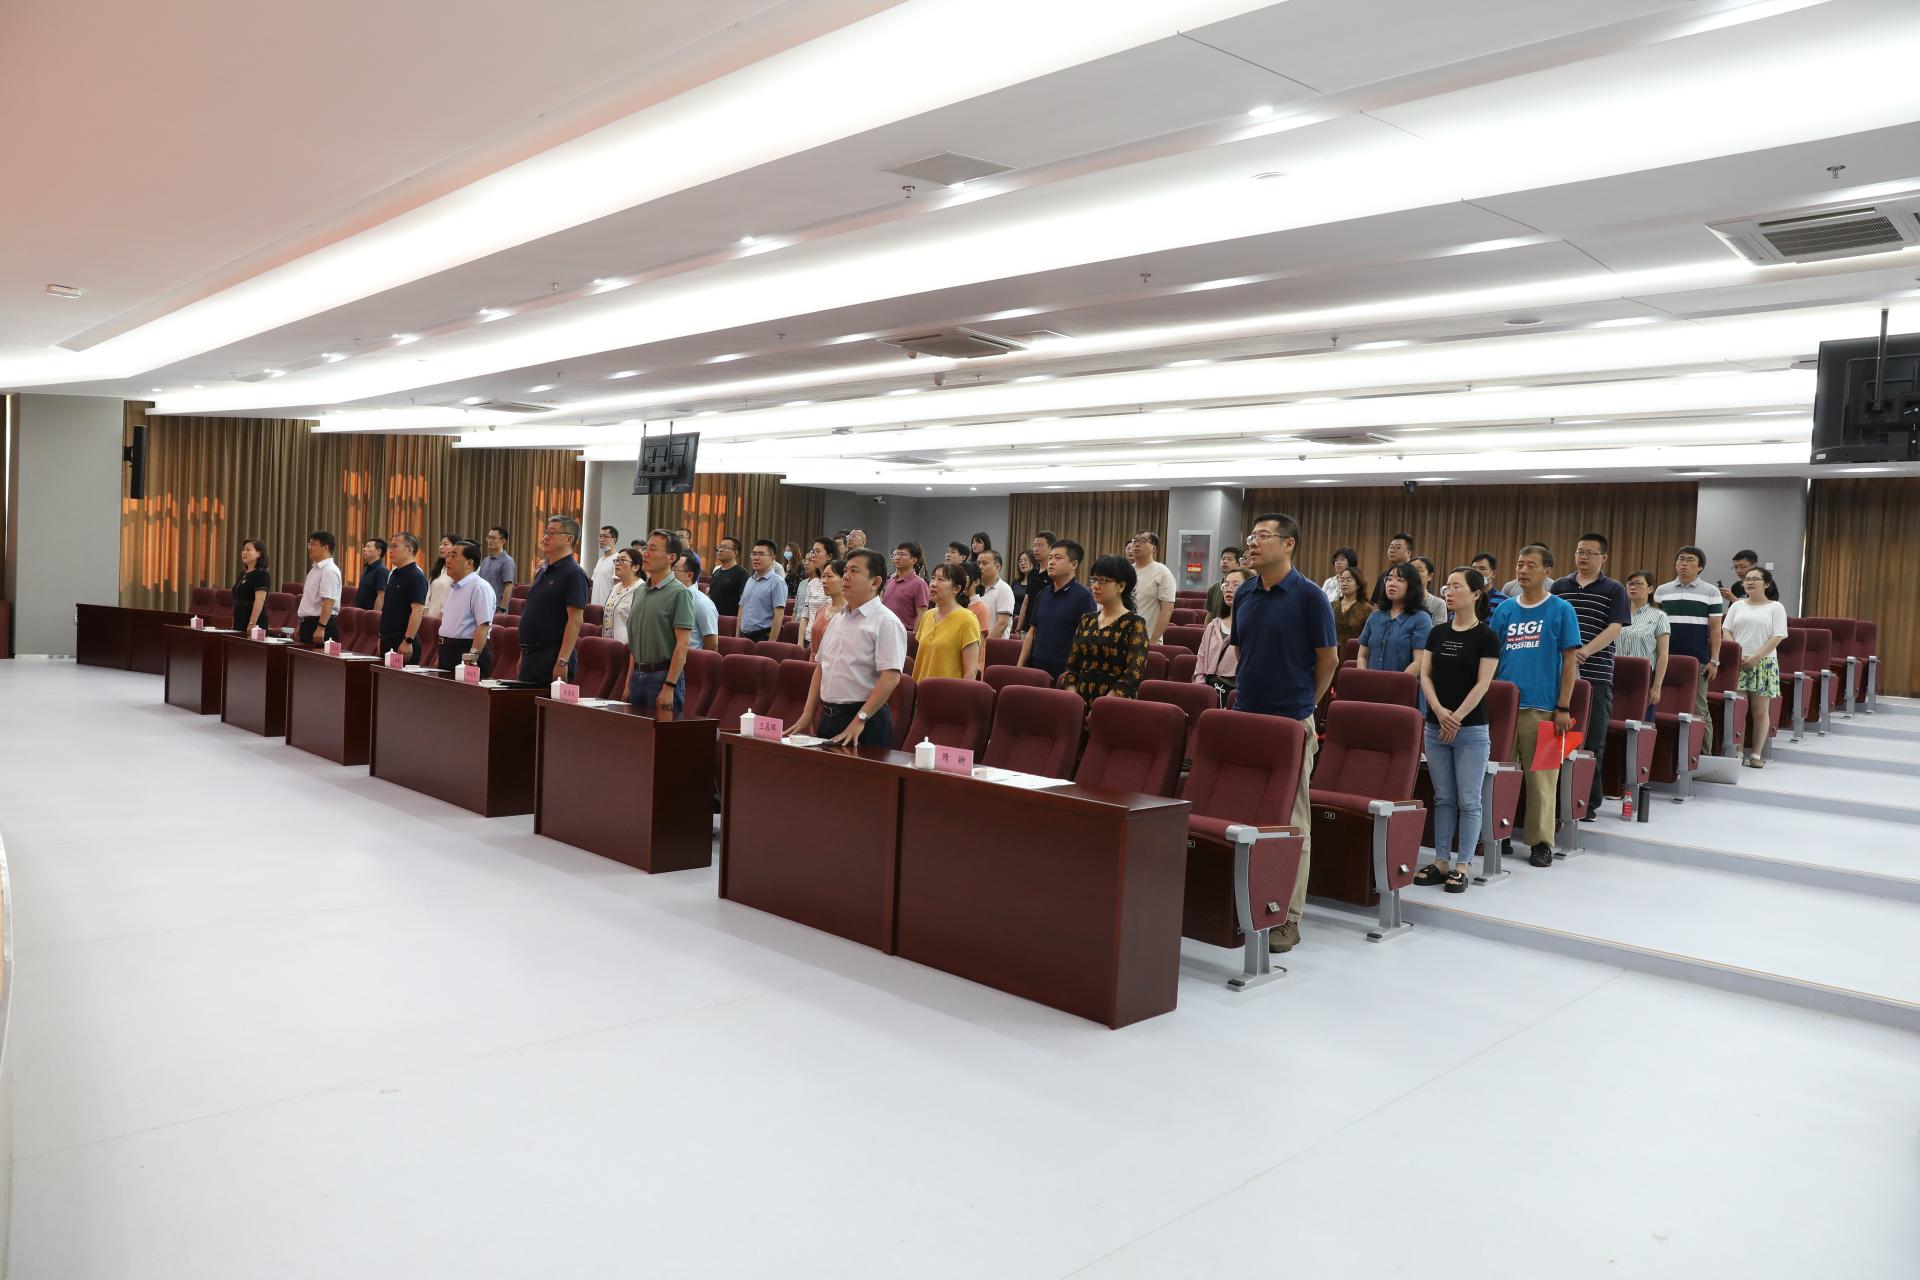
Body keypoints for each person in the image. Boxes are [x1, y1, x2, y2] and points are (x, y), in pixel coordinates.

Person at [1230, 512, 1338, 953]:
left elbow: (1328, 660)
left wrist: (1304, 706)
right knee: (1246, 813)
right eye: (1251, 536)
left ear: (1288, 544)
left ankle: (1287, 916)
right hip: (1247, 717)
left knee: (1293, 820)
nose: (1252, 544)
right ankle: (1243, 901)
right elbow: (1242, 650)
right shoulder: (1245, 593)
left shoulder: (1310, 596)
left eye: (1263, 536)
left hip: (1291, 721)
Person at [1490, 544, 1582, 869]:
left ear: (1547, 571)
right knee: (1499, 775)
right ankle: (1497, 832)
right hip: (1504, 709)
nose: (1523, 570)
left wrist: (1563, 707)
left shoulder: (1561, 610)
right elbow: (1491, 658)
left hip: (1543, 707)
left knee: (1543, 779)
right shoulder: (1504, 610)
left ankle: (1541, 842)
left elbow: (1570, 661)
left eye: (1531, 565)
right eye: (1519, 564)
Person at [1413, 567, 1501, 893]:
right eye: (1447, 587)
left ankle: (1463, 864)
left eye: (1456, 586)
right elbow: (1425, 676)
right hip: (1435, 727)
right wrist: (1438, 711)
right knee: (1443, 798)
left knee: (1469, 799)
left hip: (1470, 730)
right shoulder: (1437, 632)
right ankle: (1440, 861)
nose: (1449, 592)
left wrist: (1457, 718)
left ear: (1476, 594)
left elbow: (1483, 683)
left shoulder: (1487, 637)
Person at [787, 548, 907, 747]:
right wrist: (808, 713)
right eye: (845, 571)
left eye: (854, 571)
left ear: (875, 582)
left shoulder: (886, 622)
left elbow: (891, 677)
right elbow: (821, 668)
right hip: (829, 717)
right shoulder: (837, 620)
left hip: (866, 721)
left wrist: (860, 719)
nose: (846, 577)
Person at [1551, 532, 1632, 818]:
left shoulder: (1614, 589)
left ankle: (1587, 801)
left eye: (1589, 553)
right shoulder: (1560, 586)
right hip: (1560, 674)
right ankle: (1556, 800)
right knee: (1557, 738)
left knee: (1593, 739)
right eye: (1579, 552)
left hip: (1596, 673)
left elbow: (1615, 628)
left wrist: (1583, 652)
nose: (1583, 557)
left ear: (1603, 557)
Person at [1062, 554, 1149, 711]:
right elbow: (1071, 667)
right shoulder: (1086, 620)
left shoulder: (1135, 624)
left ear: (1121, 586)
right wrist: (1073, 702)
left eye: (1102, 581)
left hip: (1113, 707)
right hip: (1078, 705)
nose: (1095, 586)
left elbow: (1132, 675)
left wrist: (1100, 709)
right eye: (1094, 579)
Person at [1654, 545, 1724, 727]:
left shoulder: (1711, 592)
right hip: (1663, 657)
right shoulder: (1662, 591)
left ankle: (1703, 746)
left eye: (1690, 560)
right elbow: (1654, 624)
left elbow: (1715, 629)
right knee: (1659, 704)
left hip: (1697, 658)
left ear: (1700, 567)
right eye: (1681, 559)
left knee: (1699, 709)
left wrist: (1714, 660)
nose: (1684, 563)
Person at [1726, 566, 1789, 767]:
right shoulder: (1737, 606)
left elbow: (1778, 636)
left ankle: (1755, 754)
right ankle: (1737, 752)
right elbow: (1726, 630)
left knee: (1760, 712)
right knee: (1739, 710)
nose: (1749, 582)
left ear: (1766, 584)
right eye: (1747, 579)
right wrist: (1737, 652)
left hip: (1764, 663)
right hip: (1738, 662)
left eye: (1755, 579)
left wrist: (1755, 657)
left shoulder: (1775, 607)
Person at [627, 530, 694, 713]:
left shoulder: (680, 593)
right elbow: (634, 643)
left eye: (653, 549)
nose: (645, 554)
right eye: (646, 548)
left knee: (662, 731)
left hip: (662, 677)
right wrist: (628, 683)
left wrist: (669, 686)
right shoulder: (639, 591)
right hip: (637, 675)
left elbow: (683, 644)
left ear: (671, 558)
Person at [519, 516, 590, 684]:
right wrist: (522, 656)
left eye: (552, 533)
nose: (545, 537)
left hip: (552, 656)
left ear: (569, 539)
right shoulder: (543, 571)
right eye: (546, 532)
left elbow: (575, 620)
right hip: (530, 655)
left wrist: (562, 661)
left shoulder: (574, 573)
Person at [1016, 538, 1094, 681]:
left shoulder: (1084, 597)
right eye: (1051, 557)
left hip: (1064, 675)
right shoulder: (1043, 594)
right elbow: (1032, 632)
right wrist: (1019, 667)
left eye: (1058, 558)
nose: (1051, 562)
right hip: (1035, 670)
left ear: (1074, 564)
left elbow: (1087, 642)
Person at [435, 539, 496, 677]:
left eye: (453, 556)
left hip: (466, 652)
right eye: (448, 556)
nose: (447, 560)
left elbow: (483, 626)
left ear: (469, 563)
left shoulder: (479, 587)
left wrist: (471, 658)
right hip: (447, 650)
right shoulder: (453, 587)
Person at [1356, 563, 1432, 672]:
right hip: (1370, 681)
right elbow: (1362, 656)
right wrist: (1364, 677)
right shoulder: (1375, 616)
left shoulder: (1421, 619)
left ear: (1412, 586)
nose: (1392, 583)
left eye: (1400, 580)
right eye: (1389, 579)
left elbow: (1419, 662)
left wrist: (1395, 681)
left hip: (1403, 682)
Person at [1617, 570, 1671, 722]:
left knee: (1639, 723)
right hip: (1615, 673)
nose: (1633, 587)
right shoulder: (1617, 613)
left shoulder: (1659, 616)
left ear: (1650, 589)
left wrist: (1656, 687)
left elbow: (1663, 655)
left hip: (1642, 677)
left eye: (1639, 584)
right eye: (1630, 584)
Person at [914, 562, 984, 681]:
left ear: (956, 588)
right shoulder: (928, 615)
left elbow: (971, 672)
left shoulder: (967, 620)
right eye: (933, 578)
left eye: (941, 579)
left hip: (950, 691)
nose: (933, 584)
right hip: (922, 689)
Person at [1193, 567, 1248, 697]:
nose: (1229, 589)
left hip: (1237, 694)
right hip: (1208, 691)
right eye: (1226, 585)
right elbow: (1200, 665)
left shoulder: (1254, 627)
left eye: (1236, 585)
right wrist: (1203, 693)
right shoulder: (1213, 626)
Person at [380, 532, 429, 660]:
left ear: (409, 549)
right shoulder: (393, 574)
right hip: (387, 639)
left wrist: (408, 640)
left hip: (403, 640)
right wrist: (381, 636)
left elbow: (417, 611)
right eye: (390, 546)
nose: (390, 550)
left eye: (395, 546)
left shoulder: (416, 576)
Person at [1126, 531, 1177, 644]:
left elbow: (1167, 609)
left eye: (1143, 541)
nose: (1137, 544)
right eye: (1135, 541)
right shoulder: (1126, 571)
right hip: (1123, 639)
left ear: (1154, 548)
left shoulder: (1162, 572)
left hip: (1147, 640)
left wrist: (1153, 641)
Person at [294, 531, 343, 644]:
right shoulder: (315, 569)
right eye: (309, 544)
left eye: (313, 544)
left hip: (320, 625)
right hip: (308, 624)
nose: (309, 548)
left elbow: (328, 602)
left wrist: (321, 627)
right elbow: (309, 600)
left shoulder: (329, 570)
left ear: (325, 547)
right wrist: (301, 624)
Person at [739, 539, 789, 642]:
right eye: (754, 554)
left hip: (762, 637)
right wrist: (737, 636)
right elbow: (741, 608)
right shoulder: (750, 580)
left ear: (772, 558)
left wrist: (770, 643)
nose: (756, 558)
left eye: (761, 554)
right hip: (744, 637)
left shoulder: (777, 582)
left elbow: (779, 615)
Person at [792, 538, 835, 650]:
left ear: (829, 556)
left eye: (818, 551)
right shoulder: (812, 583)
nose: (813, 555)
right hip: (808, 639)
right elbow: (805, 614)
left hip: (825, 642)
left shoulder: (836, 582)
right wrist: (800, 643)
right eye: (813, 551)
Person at [882, 542, 931, 634]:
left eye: (902, 554)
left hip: (905, 634)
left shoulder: (919, 584)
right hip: (885, 632)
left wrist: (913, 636)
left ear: (914, 560)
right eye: (896, 554)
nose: (897, 557)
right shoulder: (889, 582)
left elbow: (922, 613)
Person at [675, 551, 720, 650]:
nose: (670, 574)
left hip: (690, 657)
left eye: (674, 569)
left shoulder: (702, 603)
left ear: (689, 575)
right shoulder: (671, 597)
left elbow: (712, 643)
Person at [1015, 531, 1056, 633]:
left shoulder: (1054, 574)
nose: (1036, 549)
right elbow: (1026, 602)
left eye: (1040, 545)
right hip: (1026, 627)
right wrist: (1018, 628)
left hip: (1044, 628)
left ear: (1051, 548)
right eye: (1034, 545)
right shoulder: (1032, 573)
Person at [602, 546, 643, 646]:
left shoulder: (641, 589)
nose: (617, 563)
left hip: (627, 646)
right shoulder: (616, 587)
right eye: (617, 560)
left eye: (622, 560)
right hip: (608, 644)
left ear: (636, 567)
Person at [231, 539, 271, 633]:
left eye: (248, 550)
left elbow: (259, 601)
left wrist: (252, 623)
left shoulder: (262, 574)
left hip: (255, 622)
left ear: (259, 554)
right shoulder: (242, 574)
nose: (244, 552)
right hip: (240, 619)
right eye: (243, 550)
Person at [974, 549, 1016, 639]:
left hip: (992, 644)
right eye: (978, 563)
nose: (980, 567)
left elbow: (1002, 624)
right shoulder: (974, 587)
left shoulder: (1004, 589)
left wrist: (984, 645)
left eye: (984, 563)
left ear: (997, 567)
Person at [809, 558, 847, 652]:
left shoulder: (850, 613)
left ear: (844, 579)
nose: (824, 581)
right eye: (823, 576)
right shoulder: (822, 609)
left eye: (829, 576)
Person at [1369, 532, 1415, 610]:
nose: (1392, 550)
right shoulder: (1384, 575)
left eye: (1398, 548)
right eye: (1391, 547)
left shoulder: (1415, 575)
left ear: (1408, 552)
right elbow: (1376, 604)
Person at [1331, 567, 1373, 649]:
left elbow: (1369, 637)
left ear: (1358, 584)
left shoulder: (1366, 609)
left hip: (1354, 652)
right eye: (1342, 580)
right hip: (1331, 652)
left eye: (1348, 580)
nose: (1344, 583)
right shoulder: (1331, 605)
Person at [707, 537, 748, 617]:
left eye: (725, 547)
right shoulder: (716, 572)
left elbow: (744, 602)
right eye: (720, 547)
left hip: (730, 620)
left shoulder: (742, 573)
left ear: (735, 552)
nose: (720, 550)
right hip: (713, 617)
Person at [479, 527, 516, 614]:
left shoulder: (507, 561)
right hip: (481, 606)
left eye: (493, 538)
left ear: (503, 541)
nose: (489, 541)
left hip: (496, 609)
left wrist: (502, 609)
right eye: (488, 537)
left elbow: (508, 587)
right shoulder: (486, 560)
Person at [424, 533, 458, 617]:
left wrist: (441, 615)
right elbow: (429, 594)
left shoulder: (457, 571)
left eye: (445, 544)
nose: (441, 547)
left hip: (445, 617)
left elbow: (451, 597)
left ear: (455, 547)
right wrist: (425, 612)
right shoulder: (438, 569)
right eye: (441, 544)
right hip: (430, 615)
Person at [586, 525, 620, 607]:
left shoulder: (617, 559)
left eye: (605, 536)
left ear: (614, 540)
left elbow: (619, 587)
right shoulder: (600, 560)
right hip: (595, 607)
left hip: (607, 608)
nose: (601, 539)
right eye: (600, 536)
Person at [1410, 556, 1449, 624]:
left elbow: (1438, 629)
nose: (1414, 574)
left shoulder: (1438, 604)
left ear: (1430, 576)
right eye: (1411, 570)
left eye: (1419, 571)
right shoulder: (1398, 600)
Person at [1208, 546, 1244, 617]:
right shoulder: (1213, 587)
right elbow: (1210, 614)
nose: (1224, 561)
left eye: (1229, 559)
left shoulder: (1244, 586)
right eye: (1223, 559)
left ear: (1238, 564)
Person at [355, 538, 389, 611]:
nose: (364, 549)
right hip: (360, 612)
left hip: (370, 614)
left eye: (368, 547)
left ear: (378, 551)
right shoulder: (367, 568)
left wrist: (373, 615)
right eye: (365, 546)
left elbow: (381, 595)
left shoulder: (381, 570)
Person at [1010, 549, 1035, 621]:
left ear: (1033, 562)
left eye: (1025, 560)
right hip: (1012, 619)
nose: (1022, 563)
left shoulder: (1036, 582)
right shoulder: (1015, 582)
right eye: (1020, 561)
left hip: (1027, 620)